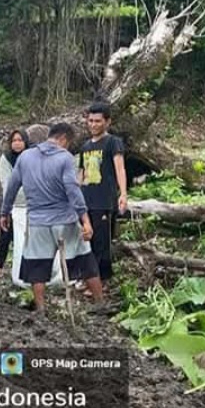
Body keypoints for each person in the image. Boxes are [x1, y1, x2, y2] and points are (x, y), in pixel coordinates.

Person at [0, 123, 104, 309]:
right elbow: (73, 191)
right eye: (68, 143)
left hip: (38, 222)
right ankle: (100, 302)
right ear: (64, 139)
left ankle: (40, 307)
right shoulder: (65, 158)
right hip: (66, 220)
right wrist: (85, 220)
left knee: (37, 266)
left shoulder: (25, 157)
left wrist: (4, 212)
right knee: (85, 261)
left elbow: (12, 187)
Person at [77, 102, 127, 287]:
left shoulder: (113, 142)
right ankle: (89, 279)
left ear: (107, 122)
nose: (93, 125)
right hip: (86, 200)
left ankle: (102, 281)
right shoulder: (85, 146)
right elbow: (81, 174)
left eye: (98, 121)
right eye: (90, 121)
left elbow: (120, 169)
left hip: (104, 200)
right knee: (86, 241)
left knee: (102, 242)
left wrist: (123, 194)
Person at [0, 129, 30, 285]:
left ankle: (26, 268)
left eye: (20, 140)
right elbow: (7, 183)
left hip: (32, 204)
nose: (17, 144)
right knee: (6, 234)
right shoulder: (6, 159)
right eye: (14, 141)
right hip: (13, 203)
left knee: (28, 238)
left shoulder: (32, 157)